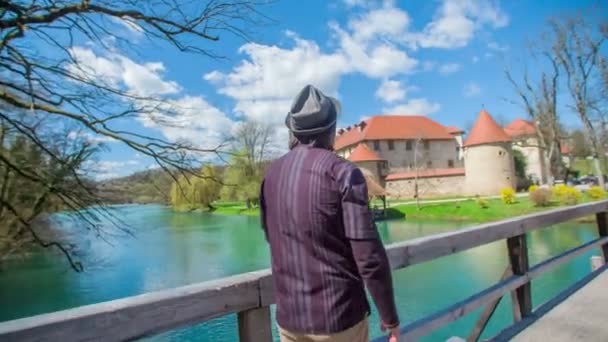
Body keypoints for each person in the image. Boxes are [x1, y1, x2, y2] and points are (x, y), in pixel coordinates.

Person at [260, 85, 400, 342]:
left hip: (290, 319)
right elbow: (368, 256)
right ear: (332, 130)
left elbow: (273, 238)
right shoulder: (344, 172)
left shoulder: (271, 175)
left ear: (293, 131)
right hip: (338, 319)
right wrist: (389, 318)